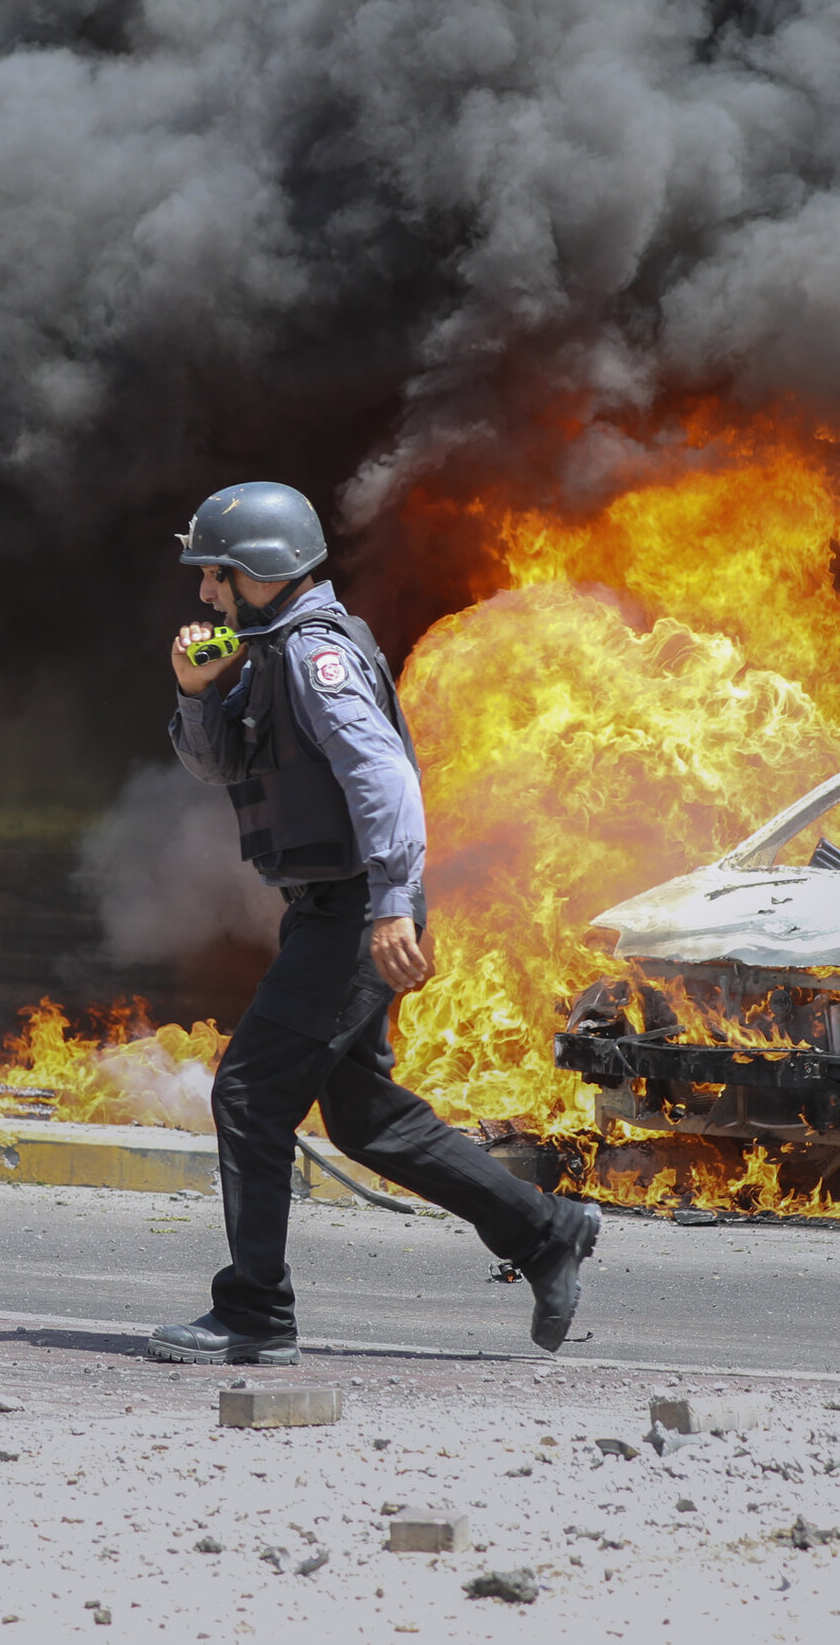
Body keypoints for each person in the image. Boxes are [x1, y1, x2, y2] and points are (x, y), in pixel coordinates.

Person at [152, 480, 600, 1366]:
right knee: (365, 1120)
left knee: (249, 1094)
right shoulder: (270, 647)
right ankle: (544, 1232)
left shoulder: (316, 657)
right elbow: (220, 766)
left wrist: (395, 903)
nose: (205, 593)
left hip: (358, 909)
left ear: (261, 572)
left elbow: (385, 780)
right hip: (333, 907)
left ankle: (254, 1315)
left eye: (216, 574)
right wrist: (196, 692)